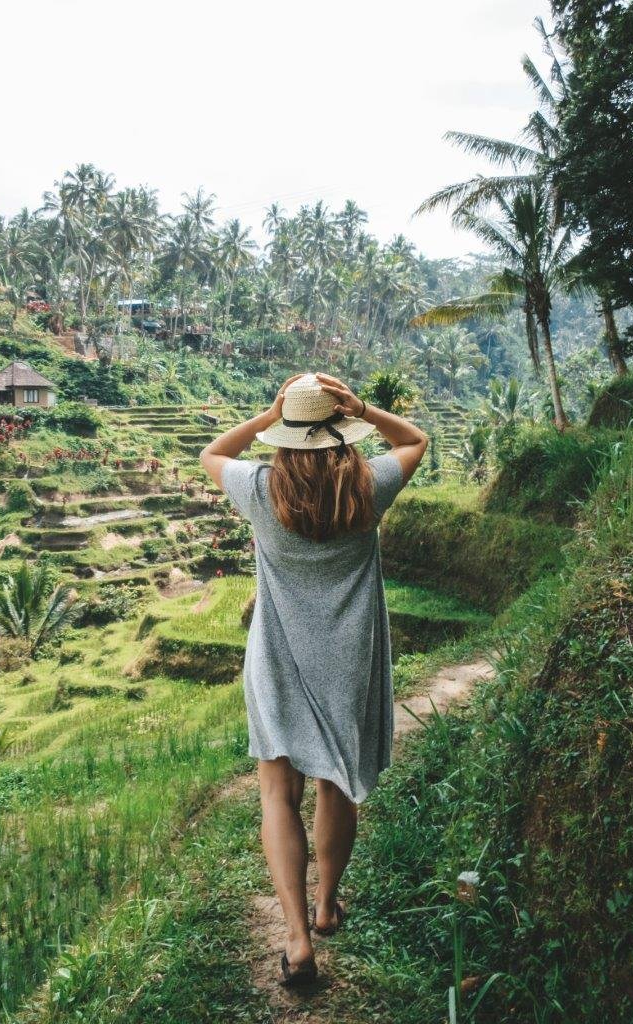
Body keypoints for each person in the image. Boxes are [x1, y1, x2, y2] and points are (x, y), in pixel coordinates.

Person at [199, 371, 428, 988]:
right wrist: (367, 410)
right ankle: (327, 905)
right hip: (347, 657)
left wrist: (264, 414)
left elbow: (212, 453)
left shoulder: (260, 488)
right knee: (335, 785)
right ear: (342, 432)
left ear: (285, 435)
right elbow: (416, 442)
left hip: (277, 656)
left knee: (278, 793)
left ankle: (298, 942)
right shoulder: (368, 485)